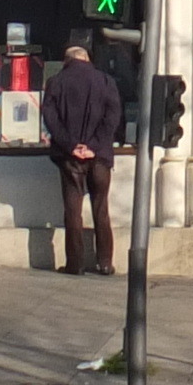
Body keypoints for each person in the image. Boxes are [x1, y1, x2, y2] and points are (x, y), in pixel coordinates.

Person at [41, 31, 127, 277]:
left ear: (67, 61)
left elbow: (51, 118)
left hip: (70, 159)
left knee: (73, 212)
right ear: (87, 58)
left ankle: (75, 264)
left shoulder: (56, 82)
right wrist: (95, 146)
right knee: (101, 209)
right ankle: (105, 263)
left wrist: (71, 146)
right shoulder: (106, 82)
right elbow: (113, 118)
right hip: (99, 157)